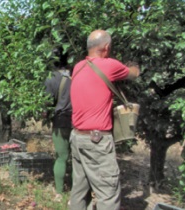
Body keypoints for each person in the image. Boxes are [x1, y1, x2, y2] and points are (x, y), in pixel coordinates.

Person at [69, 30, 140, 210]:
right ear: (107, 47)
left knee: (79, 190)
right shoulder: (110, 65)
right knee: (108, 193)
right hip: (97, 141)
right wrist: (134, 66)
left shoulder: (78, 67)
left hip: (77, 138)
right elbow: (133, 75)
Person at [44, 47, 72, 201]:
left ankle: (59, 193)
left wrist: (45, 113)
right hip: (79, 122)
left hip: (60, 121)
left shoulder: (51, 78)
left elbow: (47, 105)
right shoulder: (76, 76)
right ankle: (76, 194)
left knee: (61, 157)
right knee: (77, 160)